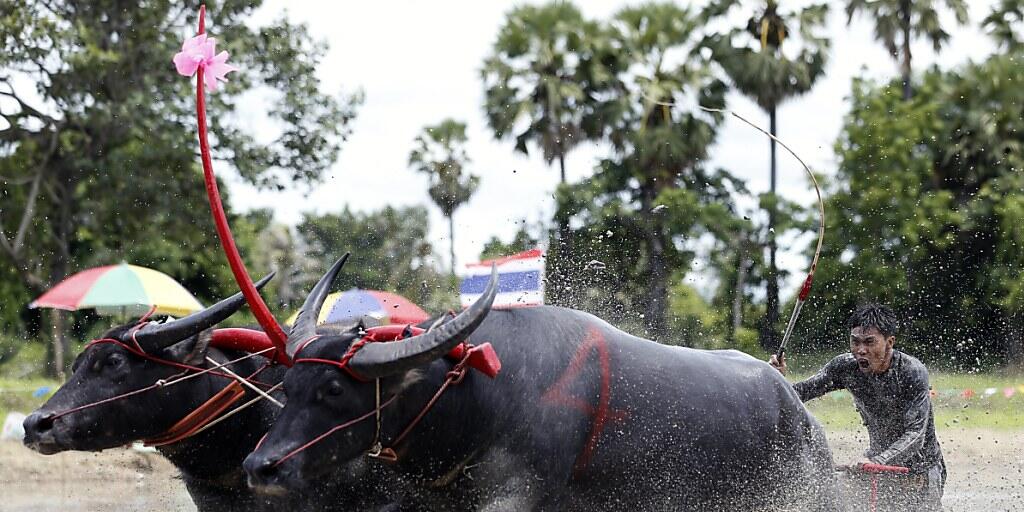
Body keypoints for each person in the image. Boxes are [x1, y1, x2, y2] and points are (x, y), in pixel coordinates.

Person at [769, 303, 945, 511]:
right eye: (855, 342)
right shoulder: (845, 367)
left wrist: (878, 461)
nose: (861, 350)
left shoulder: (911, 372)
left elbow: (916, 435)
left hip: (920, 471)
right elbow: (798, 395)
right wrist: (777, 379)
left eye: (869, 342)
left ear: (889, 342)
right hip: (874, 467)